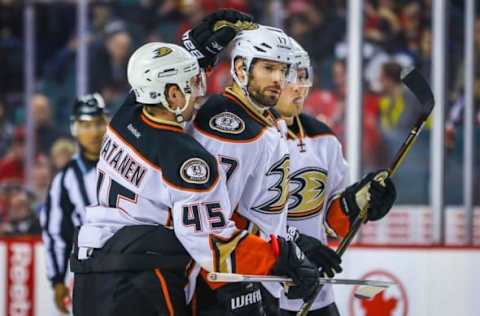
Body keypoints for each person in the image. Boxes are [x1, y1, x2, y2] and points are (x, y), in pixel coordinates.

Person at [71, 10, 320, 316]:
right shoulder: (189, 160)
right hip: (142, 275)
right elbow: (215, 246)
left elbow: (158, 79)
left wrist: (199, 50)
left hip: (87, 268)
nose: (199, 92)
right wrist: (281, 256)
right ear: (173, 95)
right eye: (192, 84)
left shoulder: (125, 118)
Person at [187, 24, 341, 315]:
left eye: (283, 70)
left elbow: (259, 212)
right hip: (228, 284)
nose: (278, 79)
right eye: (268, 68)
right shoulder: (228, 127)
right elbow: (211, 223)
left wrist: (289, 245)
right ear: (241, 68)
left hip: (258, 277)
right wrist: (279, 255)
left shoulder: (263, 119)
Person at [274, 38, 397, 316]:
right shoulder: (245, 138)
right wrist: (293, 241)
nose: (298, 87)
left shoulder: (323, 138)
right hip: (263, 291)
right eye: (289, 78)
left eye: (303, 77)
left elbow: (333, 220)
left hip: (316, 293)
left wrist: (359, 202)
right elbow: (237, 218)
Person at [40, 93, 108, 314]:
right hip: (87, 270)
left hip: (131, 265)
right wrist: (57, 279)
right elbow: (55, 232)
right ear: (74, 128)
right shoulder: (65, 178)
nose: (93, 132)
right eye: (85, 125)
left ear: (107, 123)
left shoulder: (128, 164)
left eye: (98, 123)